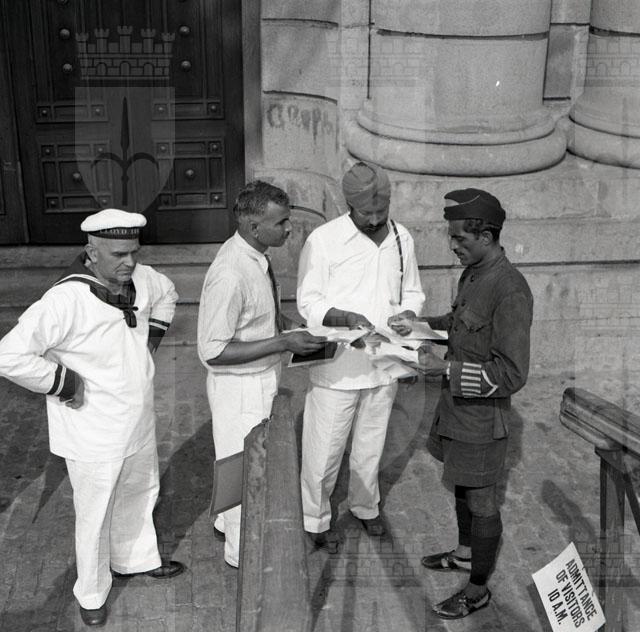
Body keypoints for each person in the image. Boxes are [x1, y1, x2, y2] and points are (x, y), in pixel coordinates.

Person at [0, 209, 183, 627]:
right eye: (118, 254)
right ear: (91, 252)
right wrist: (63, 382)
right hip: (92, 430)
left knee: (140, 491)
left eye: (134, 252)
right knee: (95, 513)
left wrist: (150, 342)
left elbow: (168, 292)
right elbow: (8, 355)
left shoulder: (143, 278)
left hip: (137, 419)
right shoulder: (65, 300)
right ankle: (92, 592)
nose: (129, 262)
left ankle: (135, 559)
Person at [391, 188, 533, 619]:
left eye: (460, 238)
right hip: (455, 411)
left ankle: (477, 589)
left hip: (482, 421)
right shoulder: (473, 273)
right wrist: (419, 325)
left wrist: (446, 371)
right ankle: (465, 553)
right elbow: (458, 323)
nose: (452, 245)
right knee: (462, 486)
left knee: (483, 502)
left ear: (486, 237)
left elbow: (512, 374)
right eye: (451, 236)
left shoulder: (510, 290)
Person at [297, 161, 425, 553]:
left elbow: (413, 291)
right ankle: (314, 518)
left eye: (380, 211)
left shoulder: (401, 238)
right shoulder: (324, 240)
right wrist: (345, 318)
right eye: (366, 212)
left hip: (384, 362)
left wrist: (408, 314)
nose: (374, 219)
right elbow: (308, 302)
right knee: (325, 448)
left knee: (371, 444)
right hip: (338, 368)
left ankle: (366, 507)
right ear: (348, 205)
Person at [197, 180, 326, 569]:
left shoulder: (256, 255)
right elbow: (213, 351)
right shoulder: (230, 273)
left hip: (258, 380)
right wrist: (283, 343)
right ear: (254, 226)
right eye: (281, 222)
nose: (289, 229)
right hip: (240, 389)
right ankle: (242, 555)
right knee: (245, 469)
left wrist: (289, 329)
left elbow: (256, 315)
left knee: (244, 461)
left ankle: (226, 524)